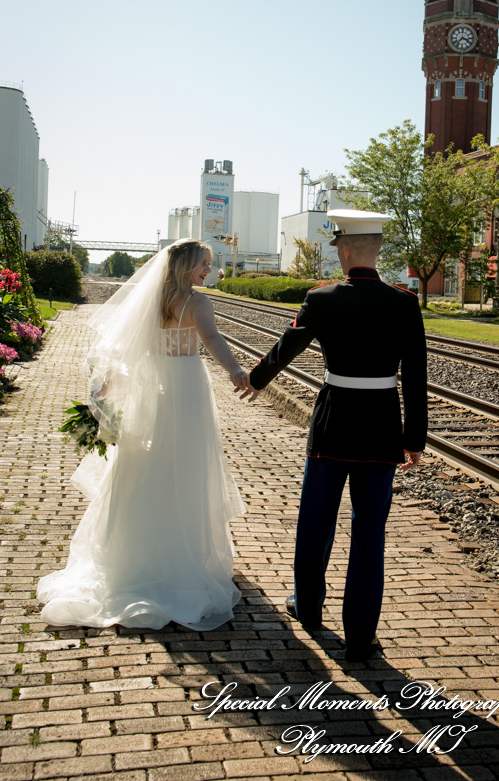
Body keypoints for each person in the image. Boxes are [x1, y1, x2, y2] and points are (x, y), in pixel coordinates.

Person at [244, 209, 427, 661]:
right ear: (377, 250)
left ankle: (308, 609)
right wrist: (414, 439)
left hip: (332, 428)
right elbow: (418, 376)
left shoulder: (321, 298)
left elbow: (286, 348)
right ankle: (361, 637)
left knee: (316, 521)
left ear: (344, 250)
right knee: (370, 533)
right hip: (382, 430)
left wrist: (255, 379)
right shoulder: (404, 304)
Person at [38, 239, 249, 630]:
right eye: (204, 264)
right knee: (185, 465)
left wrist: (109, 385)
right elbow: (213, 340)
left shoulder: (151, 301)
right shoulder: (198, 303)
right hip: (185, 388)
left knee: (142, 463)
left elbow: (130, 351)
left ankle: (134, 554)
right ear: (186, 265)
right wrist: (236, 371)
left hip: (151, 387)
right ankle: (178, 557)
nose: (209, 270)